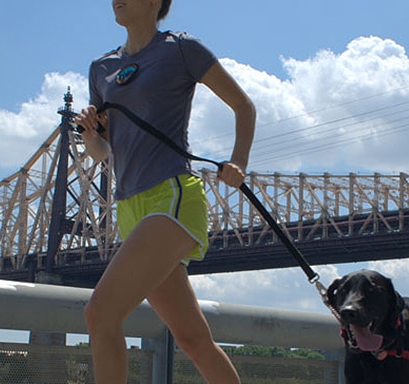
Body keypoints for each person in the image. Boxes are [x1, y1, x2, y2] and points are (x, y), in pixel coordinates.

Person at [75, 0, 255, 383]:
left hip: (171, 198)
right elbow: (104, 152)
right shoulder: (101, 68)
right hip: (129, 207)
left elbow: (243, 106)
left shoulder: (180, 48)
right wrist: (91, 135)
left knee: (100, 313)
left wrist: (238, 161)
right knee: (193, 339)